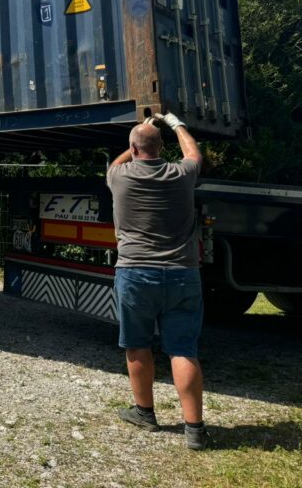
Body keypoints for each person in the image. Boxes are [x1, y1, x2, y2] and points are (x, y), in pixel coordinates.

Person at [105, 111, 209, 450]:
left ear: (134, 149)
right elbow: (194, 154)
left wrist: (142, 130)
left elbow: (117, 160)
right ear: (161, 148)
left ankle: (145, 413)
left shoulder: (119, 177)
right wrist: (175, 124)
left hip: (135, 273)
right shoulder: (181, 175)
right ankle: (194, 430)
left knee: (138, 344)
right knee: (183, 349)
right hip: (182, 274)